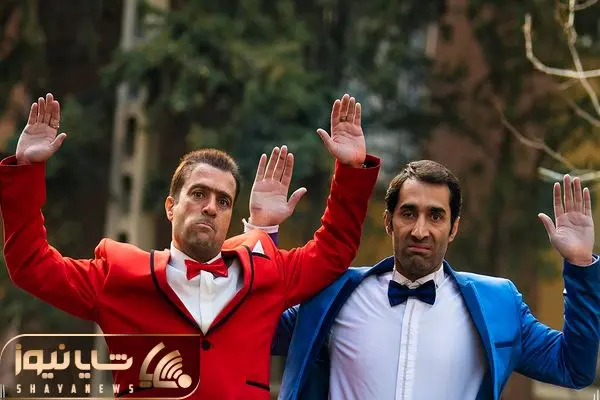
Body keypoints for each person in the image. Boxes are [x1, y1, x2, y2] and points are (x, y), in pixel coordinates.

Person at [0, 93, 380, 399]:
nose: (211, 207)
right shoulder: (118, 276)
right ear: (171, 207)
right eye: (199, 194)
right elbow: (30, 264)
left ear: (230, 216)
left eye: (223, 201)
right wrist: (26, 169)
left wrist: (350, 171)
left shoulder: (267, 274)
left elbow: (334, 250)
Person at [269, 160, 600, 400]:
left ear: (454, 228)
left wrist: (580, 265)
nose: (420, 230)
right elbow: (256, 327)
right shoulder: (333, 295)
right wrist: (264, 230)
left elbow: (572, 367)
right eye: (408, 213)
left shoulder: (498, 304)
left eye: (436, 216)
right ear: (389, 222)